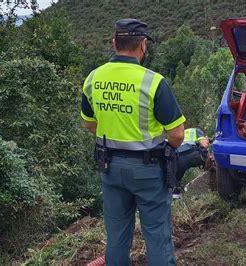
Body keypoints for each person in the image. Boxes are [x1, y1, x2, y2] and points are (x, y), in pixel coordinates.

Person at [80, 18, 185, 265]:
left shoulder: (93, 78)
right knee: (157, 236)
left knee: (116, 237)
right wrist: (165, 150)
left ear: (114, 43)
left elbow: (89, 123)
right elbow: (178, 134)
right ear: (143, 45)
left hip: (110, 168)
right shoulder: (153, 82)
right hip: (149, 170)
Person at [173, 127, 210, 199]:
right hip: (191, 155)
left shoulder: (180, 134)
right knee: (208, 158)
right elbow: (204, 144)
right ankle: (210, 177)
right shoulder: (196, 131)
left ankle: (175, 196)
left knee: (175, 180)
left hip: (175, 158)